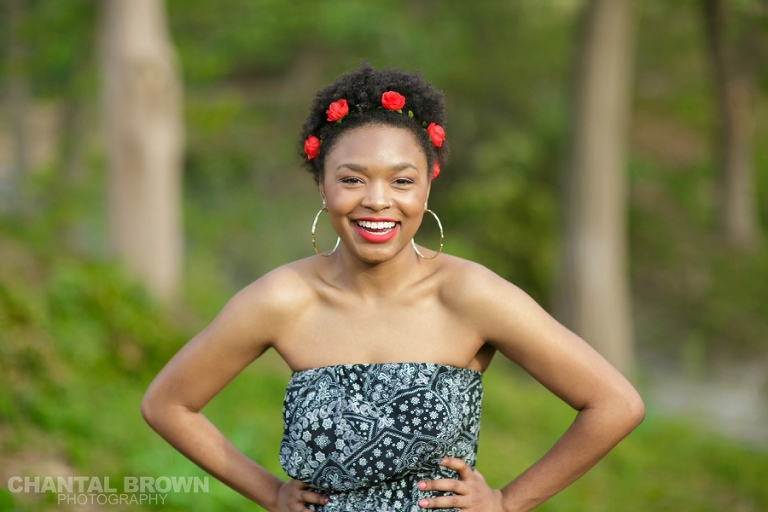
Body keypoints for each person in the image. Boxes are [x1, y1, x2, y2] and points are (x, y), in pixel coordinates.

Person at [141, 63, 645, 512]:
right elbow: (168, 404)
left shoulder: (469, 295)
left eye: (402, 181)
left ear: (428, 185)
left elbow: (615, 404)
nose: (378, 201)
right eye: (352, 180)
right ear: (322, 186)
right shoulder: (282, 299)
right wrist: (270, 493)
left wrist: (507, 502)